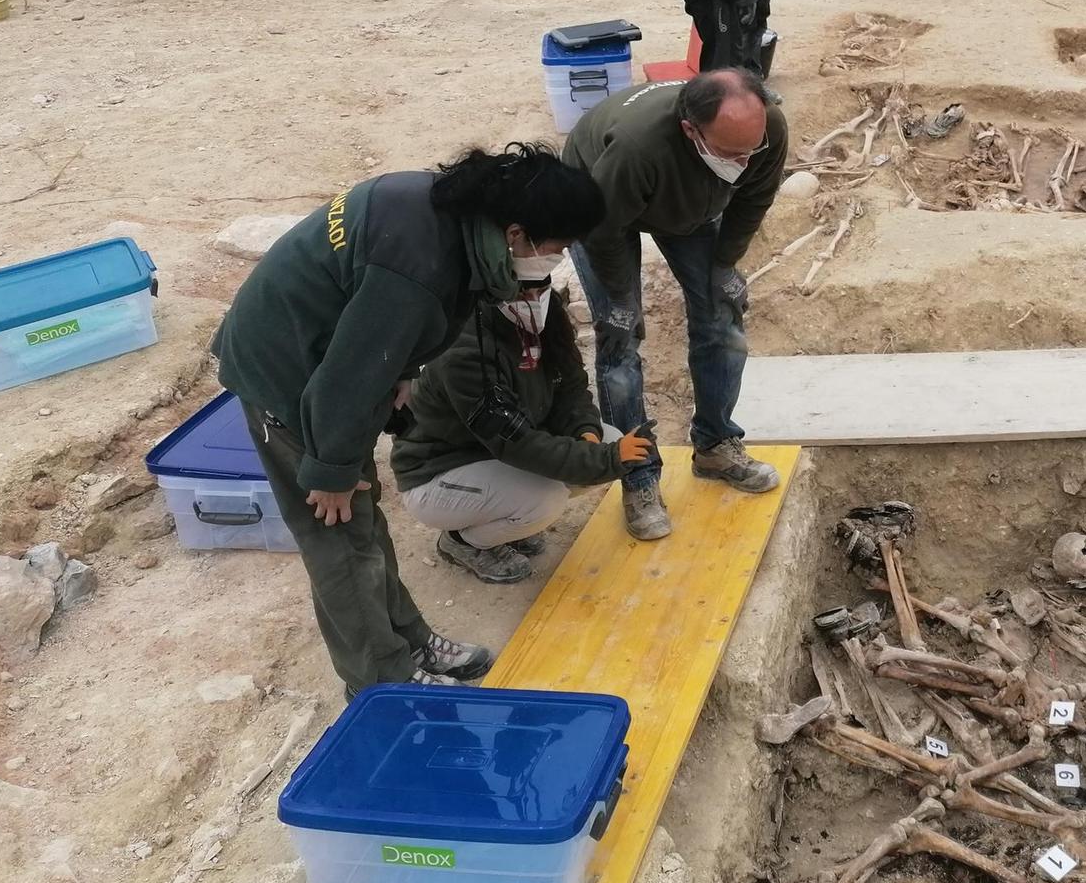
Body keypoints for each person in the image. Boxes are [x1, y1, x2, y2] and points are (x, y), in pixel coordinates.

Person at [210, 143, 605, 696]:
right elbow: (344, 379)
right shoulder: (418, 265)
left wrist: (406, 365)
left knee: (364, 521)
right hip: (289, 375)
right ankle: (380, 680)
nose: (555, 261)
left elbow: (394, 321)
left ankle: (408, 639)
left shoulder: (452, 213)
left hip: (326, 356)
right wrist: (330, 470)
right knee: (339, 534)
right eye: (557, 247)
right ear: (517, 233)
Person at [561, 68, 790, 540]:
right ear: (692, 131)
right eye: (731, 153)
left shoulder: (765, 129)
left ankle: (715, 443)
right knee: (620, 344)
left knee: (722, 317)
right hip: (600, 200)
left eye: (753, 150)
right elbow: (602, 230)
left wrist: (725, 265)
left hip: (685, 198)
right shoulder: (637, 149)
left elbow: (754, 199)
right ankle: (638, 478)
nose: (745, 163)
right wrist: (621, 299)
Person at [390, 267, 659, 583]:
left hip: (488, 452)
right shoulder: (466, 348)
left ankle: (502, 518)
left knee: (605, 436)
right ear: (495, 293)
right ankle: (461, 541)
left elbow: (570, 389)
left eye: (540, 291)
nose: (534, 301)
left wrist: (585, 432)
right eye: (521, 294)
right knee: (545, 499)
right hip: (437, 472)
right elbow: (516, 443)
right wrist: (608, 459)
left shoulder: (546, 318)